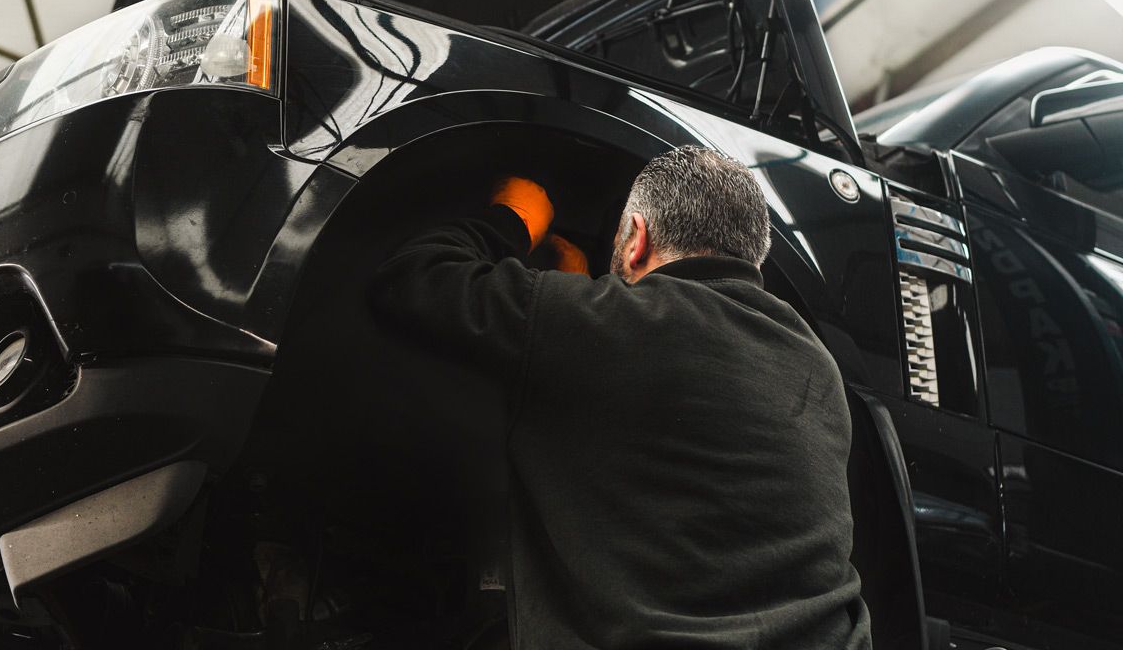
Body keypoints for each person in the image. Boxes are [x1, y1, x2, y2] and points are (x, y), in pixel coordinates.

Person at [371, 145, 871, 650]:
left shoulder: (618, 322)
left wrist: (514, 220)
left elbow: (413, 276)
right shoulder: (815, 362)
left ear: (637, 237)